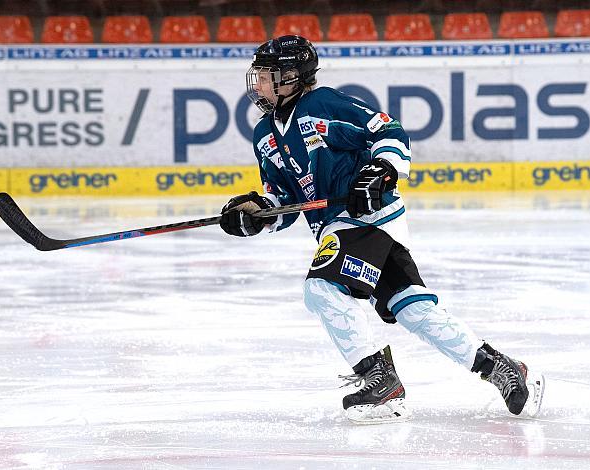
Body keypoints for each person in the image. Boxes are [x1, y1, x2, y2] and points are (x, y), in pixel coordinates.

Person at [219, 35, 544, 423]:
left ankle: (379, 378)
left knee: (322, 287)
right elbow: (286, 199)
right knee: (413, 310)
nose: (258, 84)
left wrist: (381, 171)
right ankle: (504, 369)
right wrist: (257, 212)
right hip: (339, 228)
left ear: (291, 76)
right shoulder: (264, 134)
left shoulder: (323, 105)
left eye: (267, 75)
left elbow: (389, 132)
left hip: (370, 221)